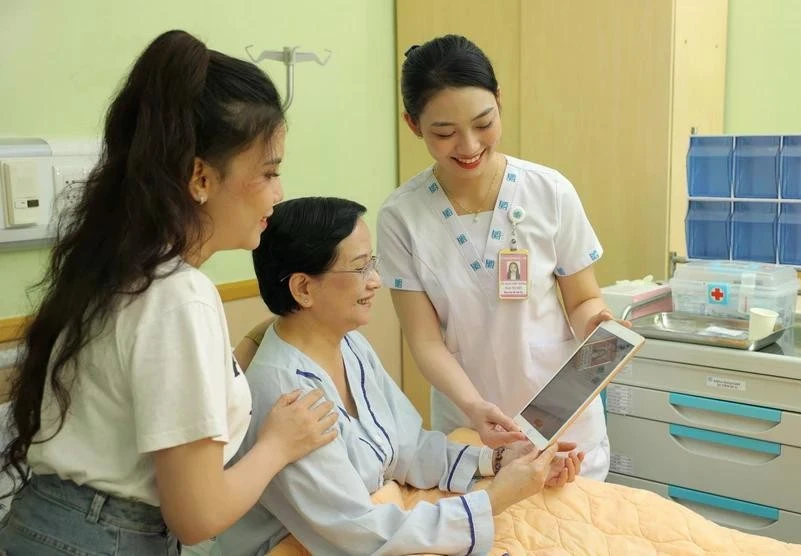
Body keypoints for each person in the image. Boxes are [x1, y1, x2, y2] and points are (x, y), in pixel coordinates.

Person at [0, 30, 337, 554]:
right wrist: (278, 445)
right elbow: (197, 516)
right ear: (200, 177)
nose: (279, 193)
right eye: (269, 172)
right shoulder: (182, 295)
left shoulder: (112, 269)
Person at [217, 197, 583, 556]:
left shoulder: (351, 348)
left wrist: (499, 461)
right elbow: (356, 532)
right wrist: (496, 497)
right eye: (360, 267)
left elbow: (408, 446)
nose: (376, 280)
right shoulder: (285, 395)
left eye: (372, 263)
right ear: (303, 289)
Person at [377, 34, 625, 480]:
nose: (469, 145)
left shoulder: (549, 192)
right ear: (412, 125)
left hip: (563, 419)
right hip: (473, 433)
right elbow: (425, 341)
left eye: (483, 122)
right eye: (444, 132)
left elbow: (583, 300)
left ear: (499, 101)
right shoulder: (402, 217)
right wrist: (474, 408)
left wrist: (598, 324)